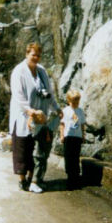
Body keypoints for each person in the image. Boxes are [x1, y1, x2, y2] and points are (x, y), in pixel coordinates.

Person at [9, 42, 63, 193]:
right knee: (22, 148)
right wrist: (30, 111)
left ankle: (34, 179)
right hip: (23, 116)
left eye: (38, 55)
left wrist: (57, 108)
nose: (36, 58)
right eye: (33, 55)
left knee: (37, 149)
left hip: (40, 116)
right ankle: (22, 180)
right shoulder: (18, 71)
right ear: (27, 54)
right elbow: (18, 96)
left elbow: (49, 93)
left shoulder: (42, 71)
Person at [60, 89, 86, 190]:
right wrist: (62, 135)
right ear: (68, 101)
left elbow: (82, 124)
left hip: (77, 137)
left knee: (75, 157)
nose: (75, 104)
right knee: (68, 157)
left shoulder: (80, 111)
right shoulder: (65, 111)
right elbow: (62, 124)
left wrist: (83, 135)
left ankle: (76, 177)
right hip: (68, 136)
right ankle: (70, 177)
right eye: (73, 102)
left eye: (77, 102)